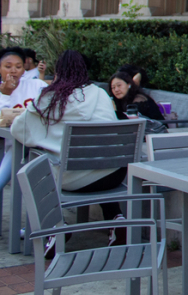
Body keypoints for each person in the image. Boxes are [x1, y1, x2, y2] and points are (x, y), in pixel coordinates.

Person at [13, 50, 127, 244]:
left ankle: (56, 226)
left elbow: (19, 130)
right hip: (113, 173)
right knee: (98, 160)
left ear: (58, 71)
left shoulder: (49, 97)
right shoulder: (100, 94)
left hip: (69, 178)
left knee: (35, 166)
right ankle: (115, 218)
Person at [0, 48, 47, 190]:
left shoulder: (36, 85)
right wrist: (6, 93)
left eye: (18, 67)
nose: (13, 71)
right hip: (12, 146)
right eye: (8, 66)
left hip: (39, 144)